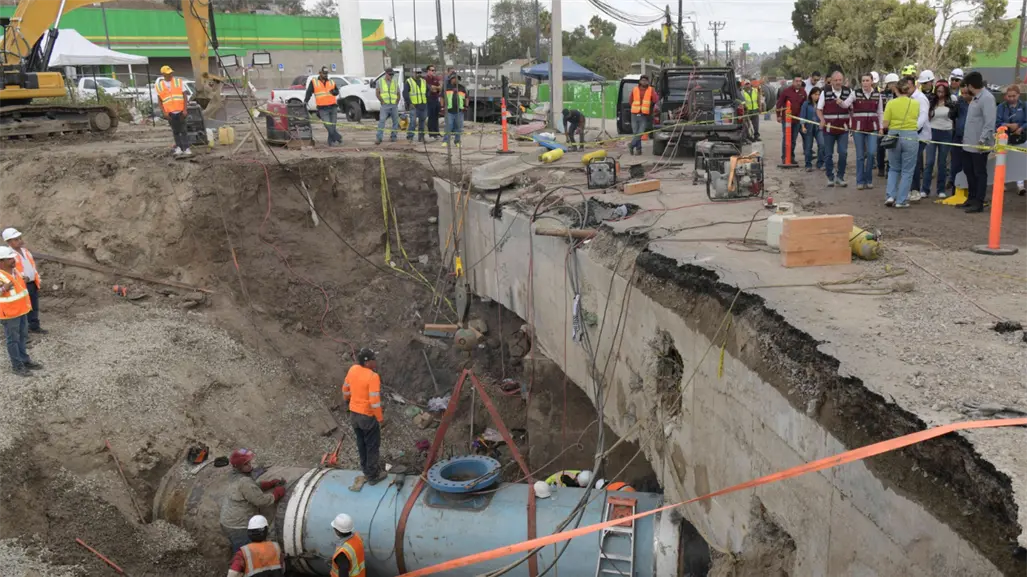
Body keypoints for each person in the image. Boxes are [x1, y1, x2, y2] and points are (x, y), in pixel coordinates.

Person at [219, 449, 286, 553]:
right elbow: (260, 501)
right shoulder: (244, 482)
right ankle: (240, 568)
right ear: (239, 467)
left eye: (249, 462)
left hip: (229, 522)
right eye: (246, 464)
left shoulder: (235, 476)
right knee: (246, 554)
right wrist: (276, 494)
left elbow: (251, 488)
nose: (250, 465)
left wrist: (268, 484)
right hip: (238, 526)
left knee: (241, 551)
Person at [343, 348, 385, 485]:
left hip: (354, 415)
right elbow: (374, 401)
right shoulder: (373, 377)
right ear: (367, 362)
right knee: (372, 445)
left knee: (361, 443)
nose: (375, 361)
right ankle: (372, 475)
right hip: (367, 417)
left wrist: (348, 401)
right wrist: (379, 418)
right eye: (373, 359)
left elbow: (345, 389)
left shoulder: (353, 369)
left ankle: (366, 469)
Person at [0, 246, 40, 377]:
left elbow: (20, 285)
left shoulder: (14, 271)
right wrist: (3, 289)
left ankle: (24, 360)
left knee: (22, 336)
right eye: (9, 258)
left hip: (21, 310)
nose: (13, 260)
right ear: (1, 262)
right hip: (9, 314)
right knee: (13, 340)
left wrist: (26, 280)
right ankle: (17, 366)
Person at [882, 77, 922, 208]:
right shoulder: (915, 103)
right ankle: (901, 200)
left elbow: (885, 123)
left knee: (893, 168)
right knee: (907, 170)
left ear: (896, 90)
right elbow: (916, 118)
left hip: (894, 135)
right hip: (910, 135)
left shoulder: (891, 103)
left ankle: (890, 196)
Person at [960, 71, 996, 213]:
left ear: (970, 85)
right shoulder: (975, 98)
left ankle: (979, 202)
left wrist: (982, 140)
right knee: (969, 171)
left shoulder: (987, 98)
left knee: (979, 173)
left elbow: (989, 122)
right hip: (968, 144)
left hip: (979, 145)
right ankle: (971, 197)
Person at [3, 228, 44, 335]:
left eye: (19, 238)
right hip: (21, 285)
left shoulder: (25, 251)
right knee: (24, 308)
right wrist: (21, 279)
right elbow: (10, 271)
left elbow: (32, 266)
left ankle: (34, 326)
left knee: (34, 306)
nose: (19, 241)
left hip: (32, 283)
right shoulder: (8, 255)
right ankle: (24, 333)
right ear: (9, 242)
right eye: (16, 239)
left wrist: (36, 278)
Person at [817, 71, 854, 187]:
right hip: (829, 129)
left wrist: (852, 122)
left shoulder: (849, 92)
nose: (838, 82)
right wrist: (822, 120)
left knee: (843, 153)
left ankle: (840, 176)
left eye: (840, 80)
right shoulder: (825, 93)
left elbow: (852, 109)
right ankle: (830, 176)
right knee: (828, 154)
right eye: (836, 80)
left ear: (843, 80)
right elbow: (819, 109)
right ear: (831, 81)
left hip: (843, 129)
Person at [922, 82, 957, 198]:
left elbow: (954, 116)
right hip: (932, 132)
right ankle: (925, 189)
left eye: (942, 91)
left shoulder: (952, 100)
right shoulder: (931, 101)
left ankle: (940, 189)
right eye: (938, 91)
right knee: (929, 162)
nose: (940, 93)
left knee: (942, 163)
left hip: (946, 132)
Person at [851, 73, 883, 190]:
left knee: (871, 153)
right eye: (863, 80)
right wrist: (840, 102)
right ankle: (860, 181)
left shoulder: (877, 95)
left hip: (873, 127)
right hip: (858, 127)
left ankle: (869, 179)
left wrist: (880, 127)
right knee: (860, 155)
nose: (865, 83)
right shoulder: (855, 93)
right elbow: (846, 104)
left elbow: (880, 112)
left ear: (871, 82)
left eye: (867, 80)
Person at [996, 84, 1027, 195]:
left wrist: (1021, 128)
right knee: (1005, 160)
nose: (1011, 98)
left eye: (1014, 96)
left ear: (1018, 95)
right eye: (1009, 96)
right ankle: (1002, 183)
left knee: (1019, 160)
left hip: (1020, 137)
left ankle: (1020, 185)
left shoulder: (1024, 106)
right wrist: (1009, 125)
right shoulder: (1001, 107)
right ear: (1006, 96)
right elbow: (997, 122)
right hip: (1005, 138)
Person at [155, 65, 191, 157]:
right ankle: (179, 147)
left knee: (183, 130)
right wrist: (164, 112)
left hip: (180, 111)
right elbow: (160, 100)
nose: (170, 75)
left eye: (171, 73)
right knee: (175, 131)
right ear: (163, 74)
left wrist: (185, 109)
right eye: (168, 74)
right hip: (170, 113)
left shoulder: (178, 82)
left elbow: (184, 96)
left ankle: (186, 148)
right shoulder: (159, 86)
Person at [908, 71, 934, 199]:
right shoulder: (909, 98)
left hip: (920, 136)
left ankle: (915, 190)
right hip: (912, 135)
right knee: (912, 162)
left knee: (915, 162)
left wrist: (912, 130)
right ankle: (912, 189)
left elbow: (923, 118)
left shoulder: (921, 99)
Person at [304, 67, 342, 147]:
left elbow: (337, 91)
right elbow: (309, 92)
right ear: (320, 73)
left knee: (333, 125)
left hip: (333, 107)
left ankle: (330, 142)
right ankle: (338, 137)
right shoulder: (314, 82)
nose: (325, 75)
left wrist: (334, 92)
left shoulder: (331, 81)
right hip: (322, 108)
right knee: (328, 125)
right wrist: (305, 101)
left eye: (326, 73)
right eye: (324, 73)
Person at [948, 84, 973, 195]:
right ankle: (955, 190)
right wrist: (953, 108)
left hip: (972, 138)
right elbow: (952, 116)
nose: (963, 95)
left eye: (966, 93)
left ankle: (969, 191)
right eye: (962, 93)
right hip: (958, 137)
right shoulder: (960, 102)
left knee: (968, 166)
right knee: (956, 165)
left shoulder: (977, 103)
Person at [776, 76, 807, 165]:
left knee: (793, 139)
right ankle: (785, 157)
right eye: (796, 81)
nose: (798, 83)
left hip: (797, 120)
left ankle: (791, 157)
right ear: (793, 82)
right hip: (787, 120)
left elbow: (805, 105)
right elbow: (779, 104)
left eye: (800, 81)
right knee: (786, 138)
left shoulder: (803, 92)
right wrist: (778, 116)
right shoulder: (786, 92)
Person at [629, 75, 657, 156]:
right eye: (642, 80)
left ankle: (631, 145)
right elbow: (630, 100)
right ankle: (638, 150)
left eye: (645, 80)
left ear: (648, 82)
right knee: (635, 132)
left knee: (640, 132)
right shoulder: (634, 89)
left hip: (644, 114)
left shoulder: (651, 90)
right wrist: (636, 108)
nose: (644, 82)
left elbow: (655, 99)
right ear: (640, 81)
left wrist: (650, 104)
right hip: (634, 113)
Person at [877, 73, 899, 177]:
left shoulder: (899, 95)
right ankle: (880, 167)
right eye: (891, 84)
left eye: (894, 83)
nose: (893, 86)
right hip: (883, 123)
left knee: (892, 147)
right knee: (880, 147)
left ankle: (890, 168)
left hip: (894, 124)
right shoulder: (881, 94)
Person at [799, 86, 824, 171]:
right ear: (811, 95)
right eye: (816, 94)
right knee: (808, 146)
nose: (817, 96)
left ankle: (820, 163)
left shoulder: (821, 104)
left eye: (819, 94)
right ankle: (808, 164)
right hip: (808, 128)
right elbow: (802, 116)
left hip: (818, 128)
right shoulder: (806, 104)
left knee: (822, 144)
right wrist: (803, 126)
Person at [440, 74, 467, 149]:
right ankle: (445, 141)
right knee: (449, 126)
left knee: (459, 127)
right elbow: (442, 97)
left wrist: (466, 106)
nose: (456, 80)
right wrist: (442, 107)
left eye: (458, 79)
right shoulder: (446, 87)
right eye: (455, 78)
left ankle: (457, 141)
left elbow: (466, 97)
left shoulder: (461, 87)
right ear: (451, 79)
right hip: (449, 111)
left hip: (459, 111)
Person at [375, 68, 400, 144]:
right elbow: (377, 93)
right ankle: (379, 138)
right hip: (385, 105)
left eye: (392, 74)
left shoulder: (395, 82)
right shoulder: (380, 82)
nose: (391, 76)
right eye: (390, 74)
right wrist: (382, 101)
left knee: (396, 121)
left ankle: (393, 136)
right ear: (386, 74)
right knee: (382, 121)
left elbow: (398, 93)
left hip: (393, 105)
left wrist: (397, 101)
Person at [403, 67, 428, 143]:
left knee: (422, 123)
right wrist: (410, 103)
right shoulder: (409, 81)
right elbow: (405, 93)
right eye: (417, 72)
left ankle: (421, 137)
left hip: (423, 105)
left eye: (420, 72)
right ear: (413, 73)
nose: (418, 74)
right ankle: (410, 137)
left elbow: (427, 91)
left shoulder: (423, 81)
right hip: (414, 106)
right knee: (413, 122)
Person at [425, 64, 442, 139]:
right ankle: (431, 134)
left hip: (436, 99)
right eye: (432, 70)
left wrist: (436, 88)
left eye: (434, 70)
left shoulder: (435, 78)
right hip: (430, 99)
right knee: (431, 117)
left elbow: (440, 88)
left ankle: (437, 132)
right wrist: (435, 88)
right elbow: (430, 88)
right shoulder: (425, 79)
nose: (433, 72)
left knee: (436, 117)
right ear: (428, 71)